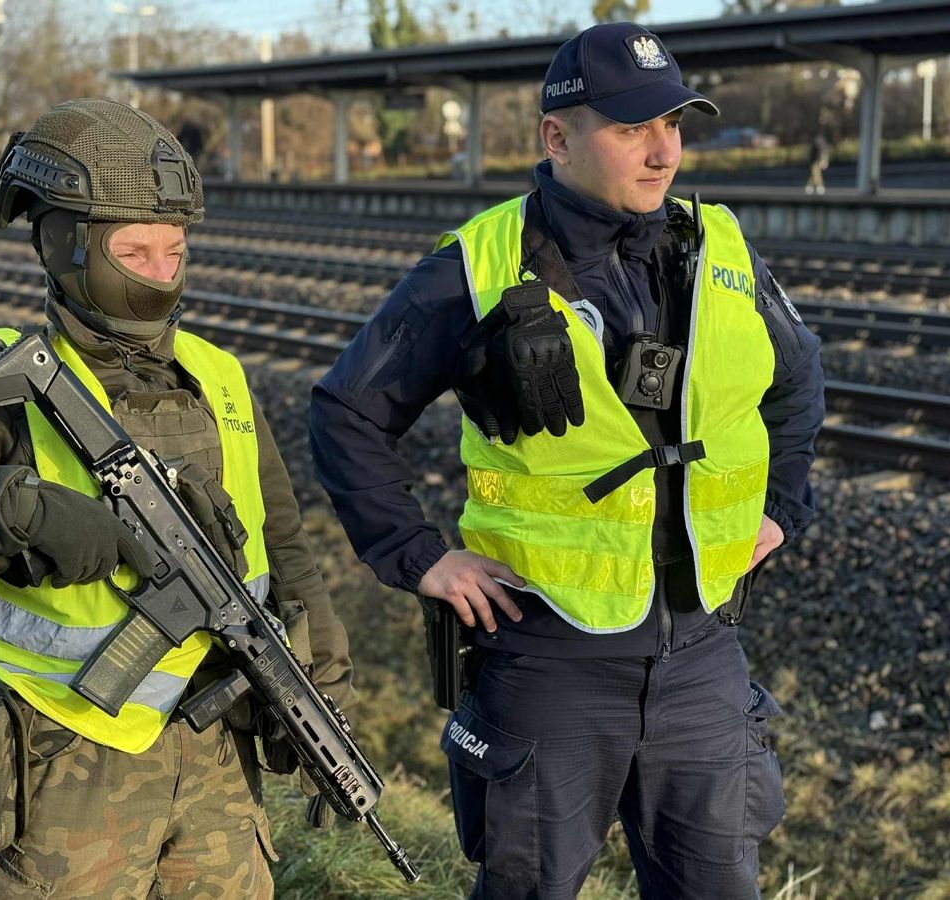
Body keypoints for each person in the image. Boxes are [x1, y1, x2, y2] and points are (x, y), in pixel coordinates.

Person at [310, 22, 823, 900]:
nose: (664, 152)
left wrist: (778, 505)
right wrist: (419, 556)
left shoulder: (721, 248)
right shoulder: (476, 265)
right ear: (557, 137)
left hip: (702, 652)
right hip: (548, 658)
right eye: (631, 128)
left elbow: (798, 377)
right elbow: (346, 411)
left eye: (674, 124)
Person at [0, 98, 355, 899]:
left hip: (218, 763)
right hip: (56, 769)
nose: (160, 272)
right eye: (133, 250)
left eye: (174, 250)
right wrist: (11, 511)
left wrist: (322, 685)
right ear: (67, 247)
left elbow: (284, 549)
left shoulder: (220, 376)